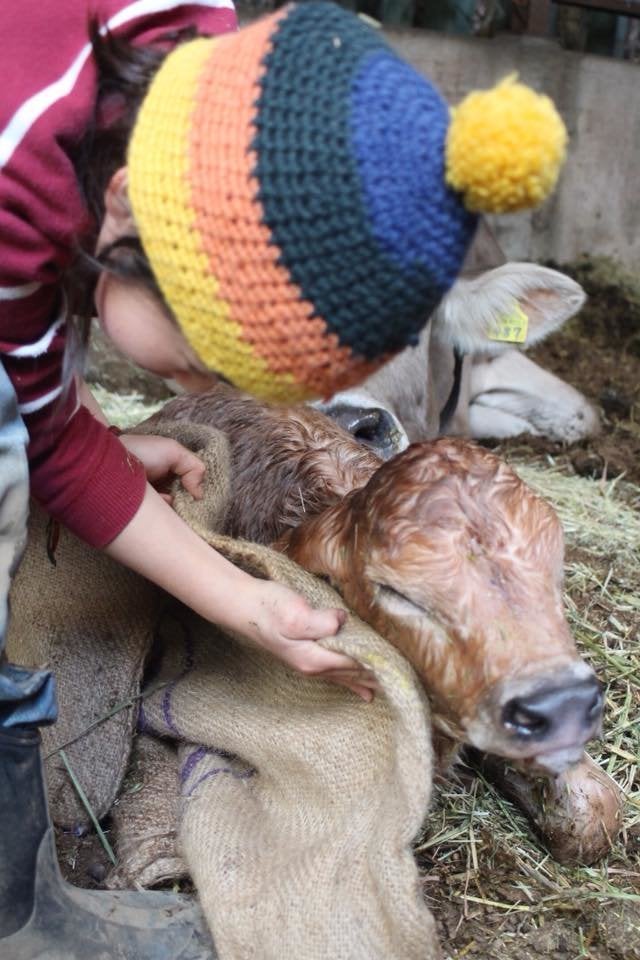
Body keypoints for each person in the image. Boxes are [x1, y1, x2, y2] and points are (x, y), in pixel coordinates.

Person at [0, 1, 568, 954]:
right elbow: (30, 421)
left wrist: (249, 605)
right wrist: (51, 431)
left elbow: (49, 403)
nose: (192, 389)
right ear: (133, 210)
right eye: (198, 361)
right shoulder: (19, 175)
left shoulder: (207, 85)